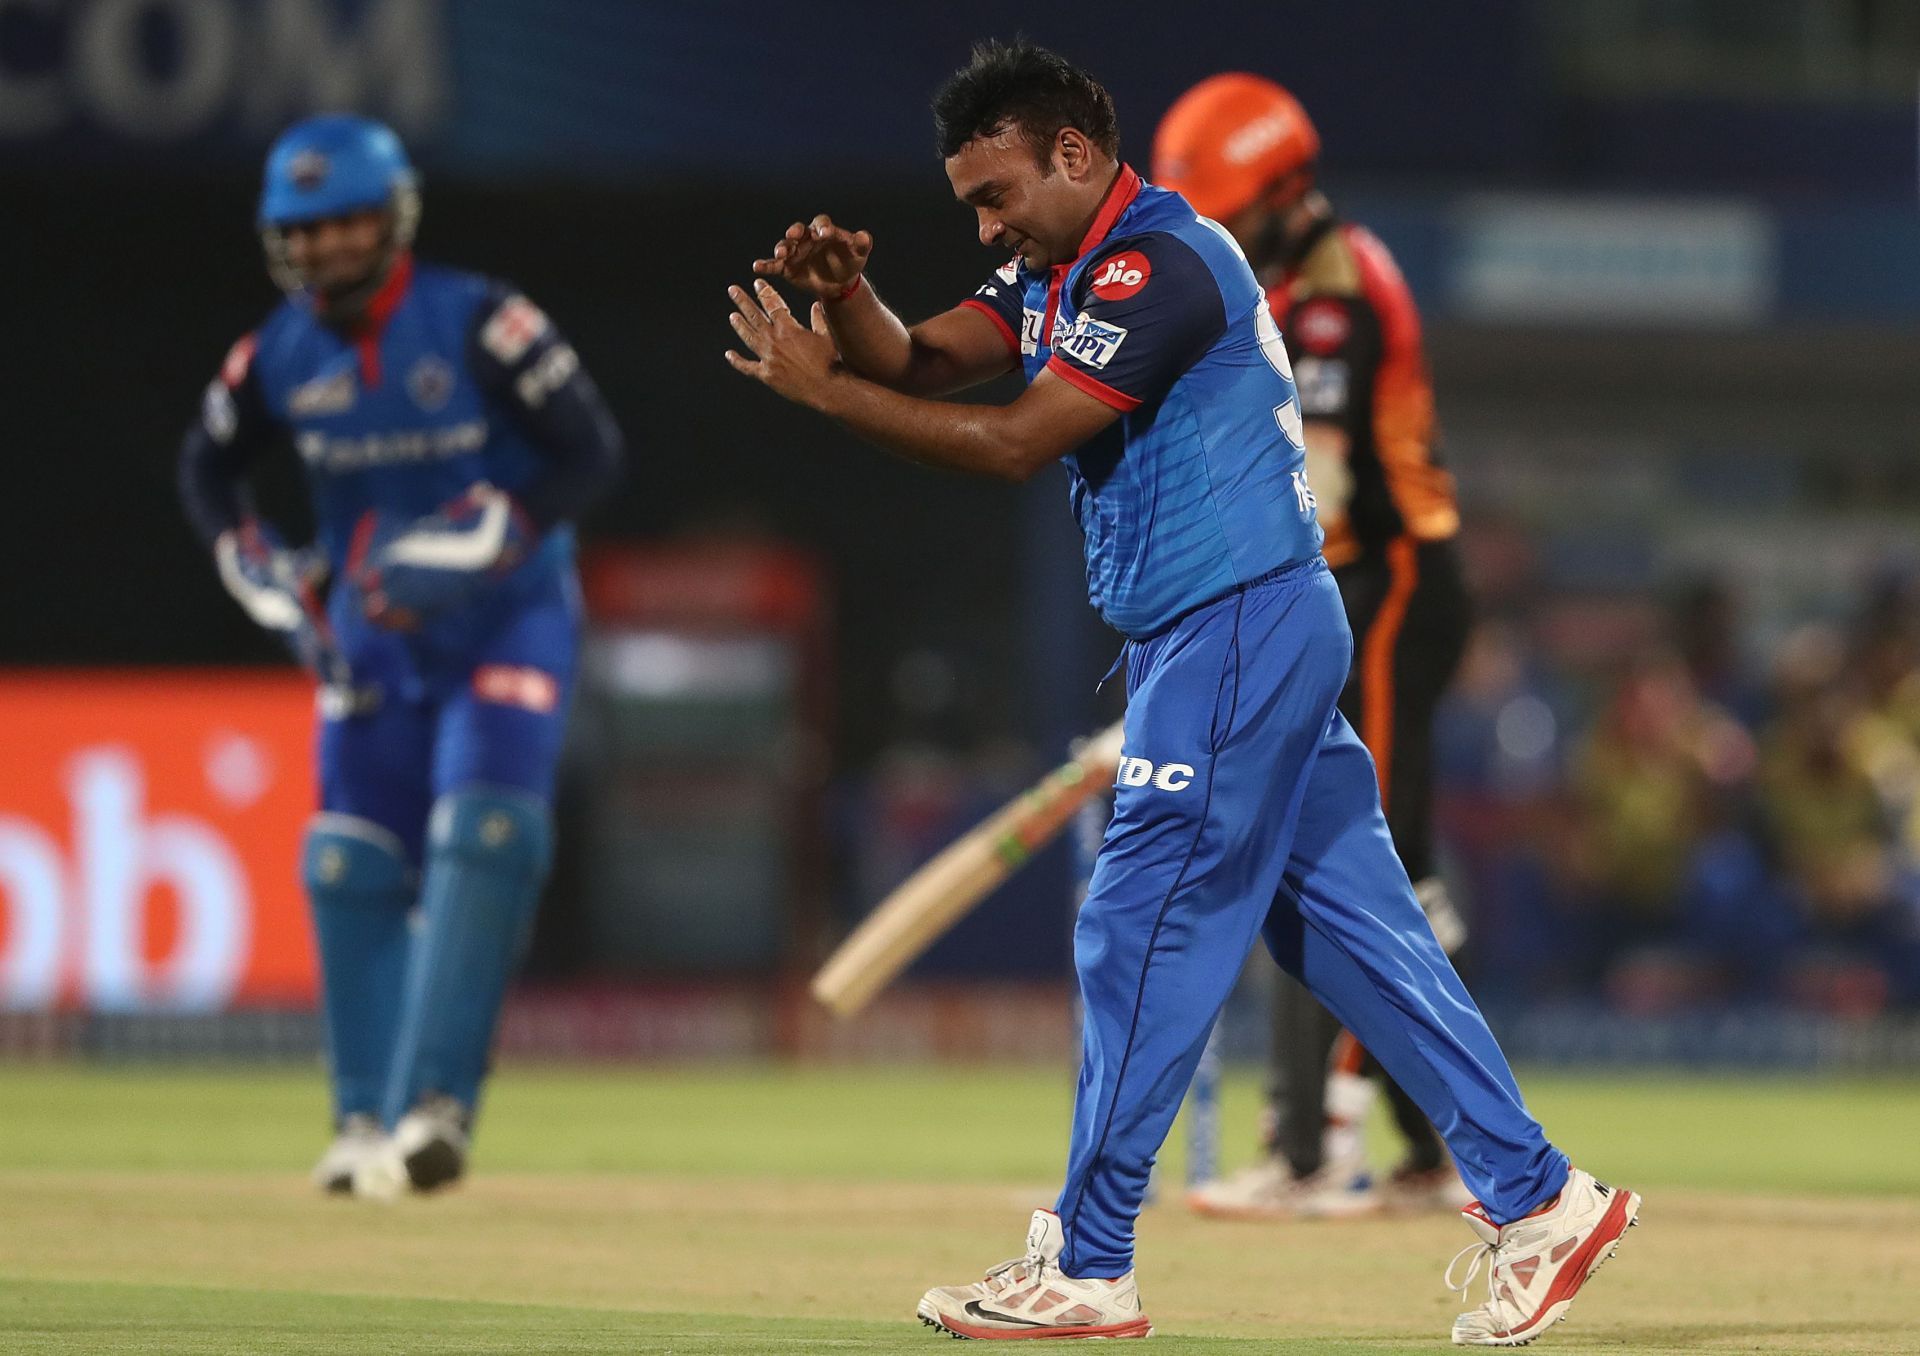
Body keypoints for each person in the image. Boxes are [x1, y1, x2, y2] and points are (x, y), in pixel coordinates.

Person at [729, 39, 1636, 1347]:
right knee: (1350, 934)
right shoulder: (1063, 266)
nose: (985, 226)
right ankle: (1543, 1201)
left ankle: (1088, 1263)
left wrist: (824, 395)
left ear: (1077, 156)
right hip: (1230, 631)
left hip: (1235, 626)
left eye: (997, 196)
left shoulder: (1159, 267)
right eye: (968, 206)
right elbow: (929, 367)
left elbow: (1011, 441)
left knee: (1135, 921)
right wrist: (856, 303)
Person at [178, 114, 623, 1197]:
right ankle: (360, 1122)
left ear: (395, 218)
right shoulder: (272, 355)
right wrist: (258, 566)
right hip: (370, 636)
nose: (328, 248)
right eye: (306, 230)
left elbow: (592, 452)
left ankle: (436, 1108)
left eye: (347, 224)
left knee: (484, 835)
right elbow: (207, 470)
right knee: (346, 862)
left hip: (507, 617)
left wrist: (500, 530)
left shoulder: (481, 320)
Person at [1152, 73, 1474, 1219]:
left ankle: (1314, 1146)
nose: (1211, 238)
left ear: (1285, 192)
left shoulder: (1333, 295)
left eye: (1226, 213)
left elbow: (1323, 489)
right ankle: (1442, 1148)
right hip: (1343, 585)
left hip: (1382, 586)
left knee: (1347, 848)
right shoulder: (1280, 281)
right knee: (1406, 872)